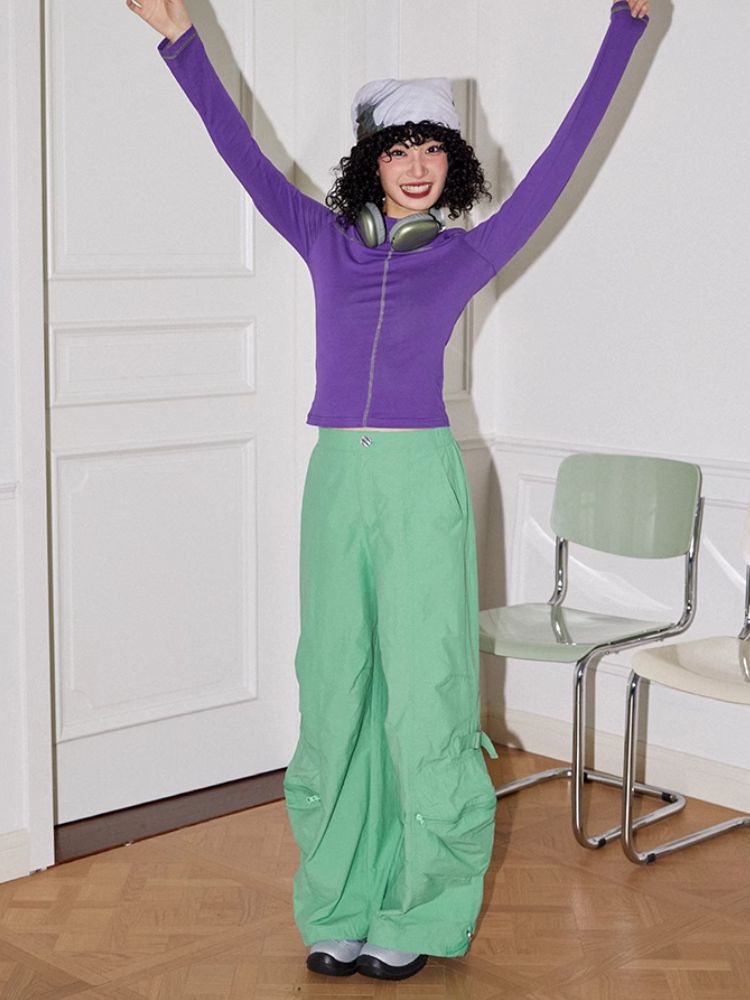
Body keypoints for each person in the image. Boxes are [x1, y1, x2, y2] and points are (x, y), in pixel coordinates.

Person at [127, 0, 650, 981]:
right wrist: (180, 41)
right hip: (338, 481)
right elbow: (241, 151)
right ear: (370, 161)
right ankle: (339, 901)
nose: (417, 166)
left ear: (455, 164)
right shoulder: (321, 238)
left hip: (419, 484)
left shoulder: (464, 254)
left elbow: (562, 162)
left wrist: (622, 30)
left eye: (434, 149)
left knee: (428, 693)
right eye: (400, 148)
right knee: (335, 688)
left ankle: (422, 905)